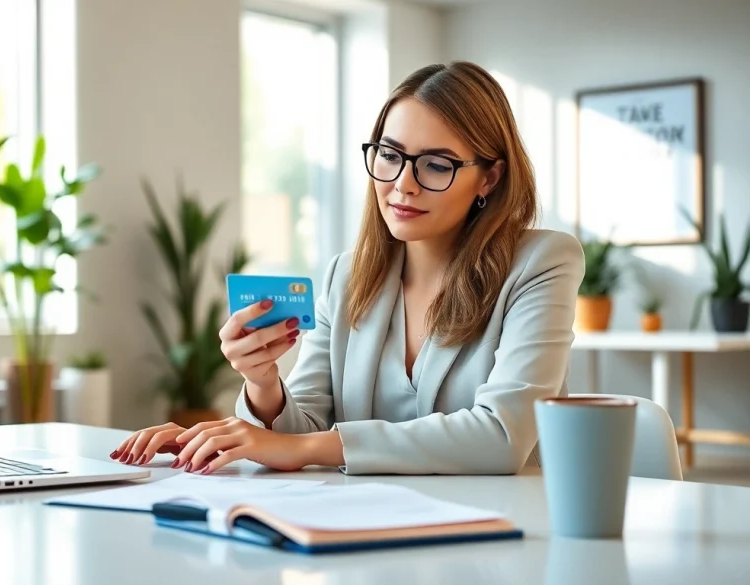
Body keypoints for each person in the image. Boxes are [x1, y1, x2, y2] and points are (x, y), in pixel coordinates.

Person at [110, 61, 584, 476]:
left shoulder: (542, 263)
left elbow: (501, 437)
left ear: (490, 176)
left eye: (436, 165)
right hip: (362, 538)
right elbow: (303, 426)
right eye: (390, 155)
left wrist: (302, 447)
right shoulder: (348, 276)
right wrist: (262, 383)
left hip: (504, 541)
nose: (403, 184)